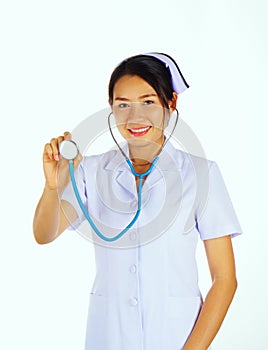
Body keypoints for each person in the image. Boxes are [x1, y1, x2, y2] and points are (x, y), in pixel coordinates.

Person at [33, 53, 243, 350]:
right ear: (111, 109)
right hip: (108, 336)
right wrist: (53, 185)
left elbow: (224, 278)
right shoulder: (90, 171)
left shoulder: (200, 174)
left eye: (148, 102)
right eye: (123, 105)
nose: (135, 117)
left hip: (177, 336)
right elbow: (44, 234)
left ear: (171, 103)